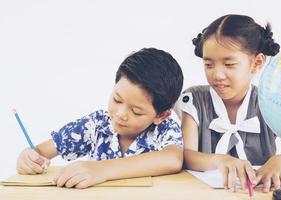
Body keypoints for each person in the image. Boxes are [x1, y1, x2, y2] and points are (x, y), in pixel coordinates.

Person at [16, 48, 184, 189]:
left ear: (161, 115)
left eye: (136, 111)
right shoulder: (96, 124)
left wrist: (102, 170)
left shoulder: (164, 129)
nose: (120, 114)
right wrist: (29, 158)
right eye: (117, 100)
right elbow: (41, 151)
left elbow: (172, 159)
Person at [176, 14, 281, 193]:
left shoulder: (271, 102)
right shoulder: (194, 100)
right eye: (209, 65)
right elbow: (187, 155)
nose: (217, 74)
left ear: (256, 63)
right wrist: (219, 160)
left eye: (229, 64)